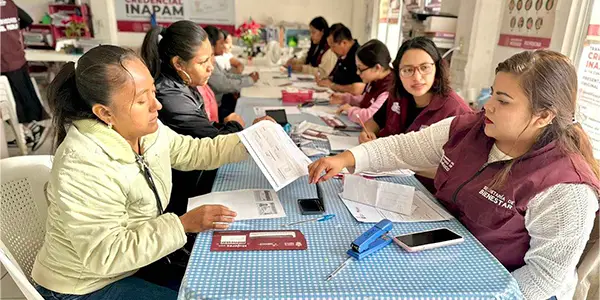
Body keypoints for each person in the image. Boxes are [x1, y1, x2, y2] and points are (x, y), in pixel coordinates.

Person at [308, 50, 600, 300]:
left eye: (503, 100)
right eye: (492, 94)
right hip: (451, 257)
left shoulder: (566, 188)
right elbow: (403, 147)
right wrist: (347, 158)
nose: (488, 105)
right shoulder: (469, 129)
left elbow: (543, 278)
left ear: (543, 116)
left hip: (505, 288)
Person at [32, 45, 249, 299]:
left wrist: (253, 142)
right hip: (85, 286)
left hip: (136, 262)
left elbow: (196, 151)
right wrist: (182, 225)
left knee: (222, 280)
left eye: (153, 93)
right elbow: (105, 255)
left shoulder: (146, 132)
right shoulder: (82, 164)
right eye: (141, 100)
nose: (156, 105)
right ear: (104, 113)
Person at [140, 21, 271, 216]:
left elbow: (202, 127)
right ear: (178, 63)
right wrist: (238, 127)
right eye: (202, 62)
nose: (211, 67)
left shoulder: (183, 83)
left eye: (211, 59)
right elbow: (209, 141)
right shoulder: (169, 95)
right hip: (184, 192)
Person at [1, 0, 48, 151]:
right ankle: (30, 130)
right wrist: (9, 32)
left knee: (10, 104)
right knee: (22, 97)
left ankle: (31, 130)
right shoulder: (9, 3)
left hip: (3, 63)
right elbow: (27, 19)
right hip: (16, 57)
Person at [330, 39, 394, 124]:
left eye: (360, 68)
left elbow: (370, 116)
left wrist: (350, 110)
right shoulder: (375, 80)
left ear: (377, 68)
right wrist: (347, 98)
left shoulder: (390, 89)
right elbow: (366, 100)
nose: (357, 72)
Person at [205, 25, 259, 120]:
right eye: (221, 43)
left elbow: (225, 76)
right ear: (211, 45)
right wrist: (249, 80)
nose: (223, 47)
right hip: (215, 108)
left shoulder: (213, 59)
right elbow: (223, 84)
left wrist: (246, 77)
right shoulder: (208, 62)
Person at [316, 23, 365, 95]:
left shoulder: (359, 56)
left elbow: (357, 89)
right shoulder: (343, 54)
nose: (332, 50)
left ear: (344, 43)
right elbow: (340, 77)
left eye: (333, 46)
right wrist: (327, 80)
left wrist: (332, 85)